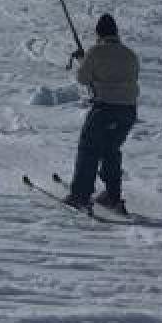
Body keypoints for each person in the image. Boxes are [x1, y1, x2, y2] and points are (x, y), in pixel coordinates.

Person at [64, 13, 140, 214]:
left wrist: (83, 60)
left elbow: (83, 78)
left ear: (99, 33)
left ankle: (80, 195)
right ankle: (113, 197)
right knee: (110, 150)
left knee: (89, 149)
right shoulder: (130, 54)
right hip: (128, 112)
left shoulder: (96, 51)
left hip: (104, 109)